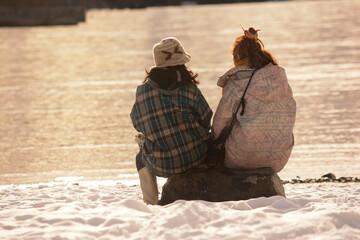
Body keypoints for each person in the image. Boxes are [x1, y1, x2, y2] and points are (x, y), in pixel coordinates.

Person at [130, 37, 213, 204]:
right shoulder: (190, 89)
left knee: (140, 156)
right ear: (181, 64)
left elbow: (138, 123)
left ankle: (151, 202)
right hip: (197, 156)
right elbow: (206, 118)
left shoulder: (142, 92)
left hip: (162, 165)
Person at [211, 26, 296, 173]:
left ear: (237, 57)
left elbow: (219, 124)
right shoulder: (279, 77)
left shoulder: (236, 80)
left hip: (243, 157)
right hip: (280, 157)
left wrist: (211, 143)